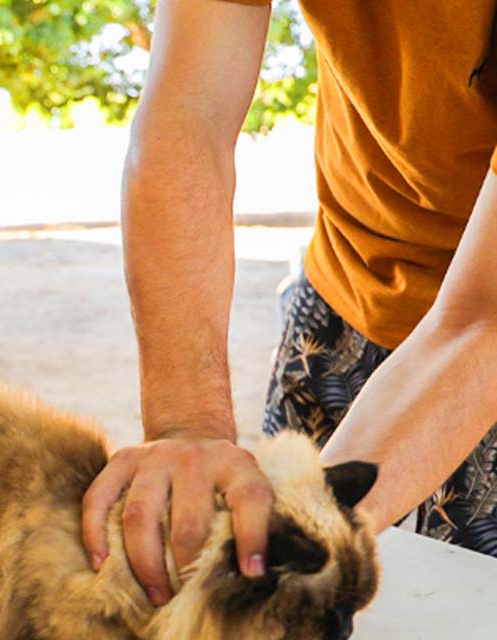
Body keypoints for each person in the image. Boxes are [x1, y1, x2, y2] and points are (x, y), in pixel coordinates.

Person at [82, 0, 497, 607]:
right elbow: (189, 115)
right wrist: (188, 426)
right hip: (341, 287)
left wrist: (306, 519)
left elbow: (481, 319)